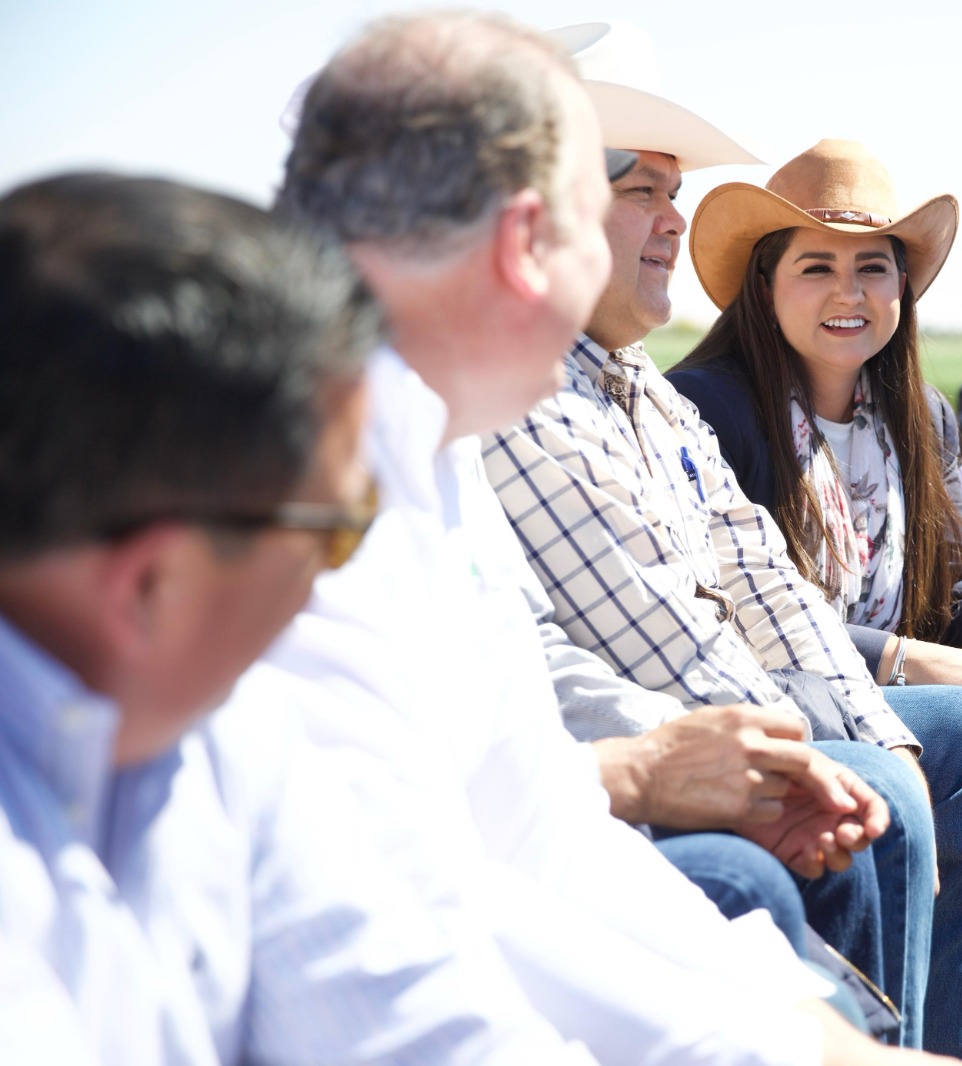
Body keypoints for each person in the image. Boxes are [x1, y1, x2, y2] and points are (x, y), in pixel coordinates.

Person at [267, 13, 958, 1066]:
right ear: (525, 239)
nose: (655, 238)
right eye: (625, 204)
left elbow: (529, 815)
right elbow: (393, 934)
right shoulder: (293, 489)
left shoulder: (425, 453)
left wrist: (808, 1027)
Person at [481, 28, 962, 1062]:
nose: (671, 214)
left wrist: (886, 728)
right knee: (878, 794)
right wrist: (835, 739)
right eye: (641, 186)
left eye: (873, 268)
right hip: (652, 721)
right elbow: (659, 632)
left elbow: (762, 584)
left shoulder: (657, 392)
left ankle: (939, 1046)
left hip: (721, 697)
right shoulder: (619, 398)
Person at [0, 172, 588, 1063]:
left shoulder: (222, 735)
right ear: (150, 585)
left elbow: (415, 1018)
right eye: (341, 534)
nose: (333, 590)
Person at [665, 138, 962, 1064]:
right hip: (774, 689)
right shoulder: (711, 406)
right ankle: (901, 1043)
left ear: (902, 291)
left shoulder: (920, 414)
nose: (849, 294)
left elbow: (960, 581)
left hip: (876, 688)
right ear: (765, 286)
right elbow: (727, 600)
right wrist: (903, 656)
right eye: (818, 268)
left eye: (872, 269)